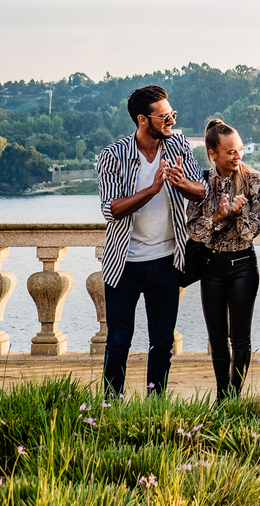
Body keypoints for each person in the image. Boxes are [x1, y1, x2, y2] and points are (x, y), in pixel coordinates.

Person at [97, 85, 204, 397]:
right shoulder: (113, 155)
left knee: (162, 343)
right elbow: (111, 208)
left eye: (172, 114)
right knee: (118, 341)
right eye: (165, 116)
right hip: (124, 264)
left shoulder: (179, 145)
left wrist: (181, 183)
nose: (171, 120)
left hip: (167, 262)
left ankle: (154, 405)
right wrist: (152, 189)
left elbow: (201, 191)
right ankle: (109, 406)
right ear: (143, 120)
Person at [185, 119, 260, 400]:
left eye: (240, 150)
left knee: (240, 338)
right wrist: (219, 217)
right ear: (213, 153)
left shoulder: (254, 180)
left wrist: (239, 213)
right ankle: (222, 398)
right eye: (230, 152)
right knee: (217, 338)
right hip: (211, 265)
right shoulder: (201, 183)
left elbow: (250, 233)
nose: (237, 156)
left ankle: (234, 397)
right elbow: (193, 230)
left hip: (243, 264)